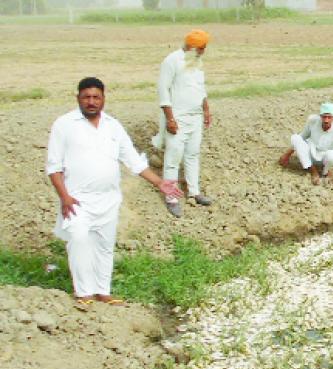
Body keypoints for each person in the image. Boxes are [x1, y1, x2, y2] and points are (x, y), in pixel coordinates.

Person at [46, 77, 183, 308]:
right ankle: (84, 293)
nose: (91, 102)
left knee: (104, 246)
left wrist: (160, 183)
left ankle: (103, 292)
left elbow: (133, 160)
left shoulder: (112, 125)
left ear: (103, 99)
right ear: (78, 98)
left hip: (108, 200)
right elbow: (53, 167)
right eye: (86, 97)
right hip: (77, 200)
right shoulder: (64, 124)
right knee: (78, 240)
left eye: (96, 97)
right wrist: (65, 197)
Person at [152, 29, 213, 218]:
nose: (203, 52)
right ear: (192, 47)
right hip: (178, 117)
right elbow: (163, 90)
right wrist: (170, 118)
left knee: (192, 154)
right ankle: (171, 197)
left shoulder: (196, 62)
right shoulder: (172, 61)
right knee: (173, 157)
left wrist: (206, 110)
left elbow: (200, 88)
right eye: (201, 48)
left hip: (195, 118)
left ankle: (194, 193)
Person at [278, 102, 333, 202]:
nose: (326, 120)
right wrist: (287, 154)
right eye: (324, 117)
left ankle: (325, 172)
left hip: (325, 157)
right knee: (295, 138)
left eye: (329, 117)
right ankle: (313, 171)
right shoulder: (313, 121)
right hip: (311, 154)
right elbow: (302, 137)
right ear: (320, 116)